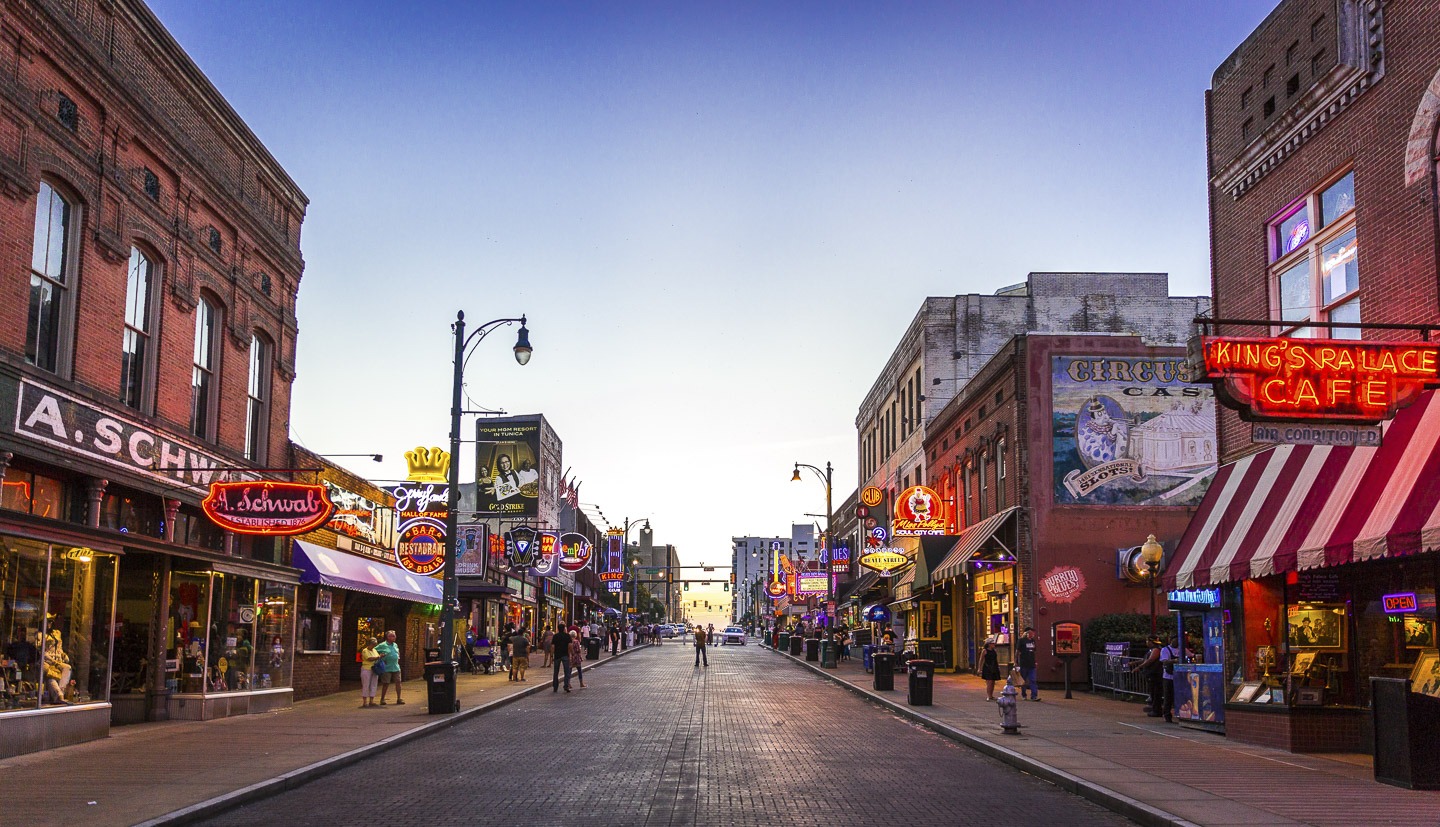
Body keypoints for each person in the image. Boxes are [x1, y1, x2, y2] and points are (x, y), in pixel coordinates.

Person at [1130, 637, 1165, 718]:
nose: (1146, 642)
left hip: (1155, 673)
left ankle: (1157, 710)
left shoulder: (1156, 650)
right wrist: (1135, 663)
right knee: (1153, 692)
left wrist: (1138, 667)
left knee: (1156, 692)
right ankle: (1154, 708)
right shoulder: (1152, 650)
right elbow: (1145, 659)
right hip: (1151, 673)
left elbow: (1150, 660)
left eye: (1147, 641)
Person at [375, 630, 404, 705]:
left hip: (396, 666)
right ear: (388, 637)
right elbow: (374, 650)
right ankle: (382, 699)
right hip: (387, 667)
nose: (394, 637)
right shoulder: (382, 645)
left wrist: (398, 657)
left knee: (398, 682)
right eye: (392, 636)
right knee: (386, 683)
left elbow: (397, 652)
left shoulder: (395, 645)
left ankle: (399, 698)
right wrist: (379, 657)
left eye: (394, 636)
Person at [1159, 635, 1179, 723]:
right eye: (1175, 640)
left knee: (1177, 696)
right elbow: (1164, 660)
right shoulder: (1165, 650)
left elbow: (1191, 655)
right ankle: (1167, 715)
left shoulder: (1182, 649)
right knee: (1168, 697)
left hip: (1179, 677)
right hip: (1168, 676)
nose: (1177, 643)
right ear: (1170, 640)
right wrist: (1174, 661)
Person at [1016, 627, 1040, 701]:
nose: (1032, 634)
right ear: (1027, 633)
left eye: (1033, 633)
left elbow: (1034, 652)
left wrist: (1035, 661)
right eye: (1031, 633)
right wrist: (1015, 661)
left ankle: (1034, 696)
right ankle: (1024, 694)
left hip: (1031, 663)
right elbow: (1017, 651)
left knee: (1033, 680)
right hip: (1024, 663)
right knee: (1023, 680)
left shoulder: (1032, 641)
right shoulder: (1021, 640)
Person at [359, 636, 381, 708]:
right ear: (369, 644)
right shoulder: (365, 651)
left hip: (374, 669)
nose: (374, 645)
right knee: (366, 684)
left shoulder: (374, 650)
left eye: (375, 644)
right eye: (373, 644)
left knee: (374, 684)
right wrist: (378, 657)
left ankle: (371, 700)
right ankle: (365, 701)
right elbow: (369, 658)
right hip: (366, 668)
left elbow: (377, 657)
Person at [551, 625, 573, 692]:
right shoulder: (567, 636)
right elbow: (570, 645)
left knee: (556, 672)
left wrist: (552, 655)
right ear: (564, 629)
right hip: (565, 655)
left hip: (557, 655)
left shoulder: (555, 636)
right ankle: (566, 685)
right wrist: (570, 654)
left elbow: (552, 646)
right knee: (566, 671)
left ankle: (555, 686)